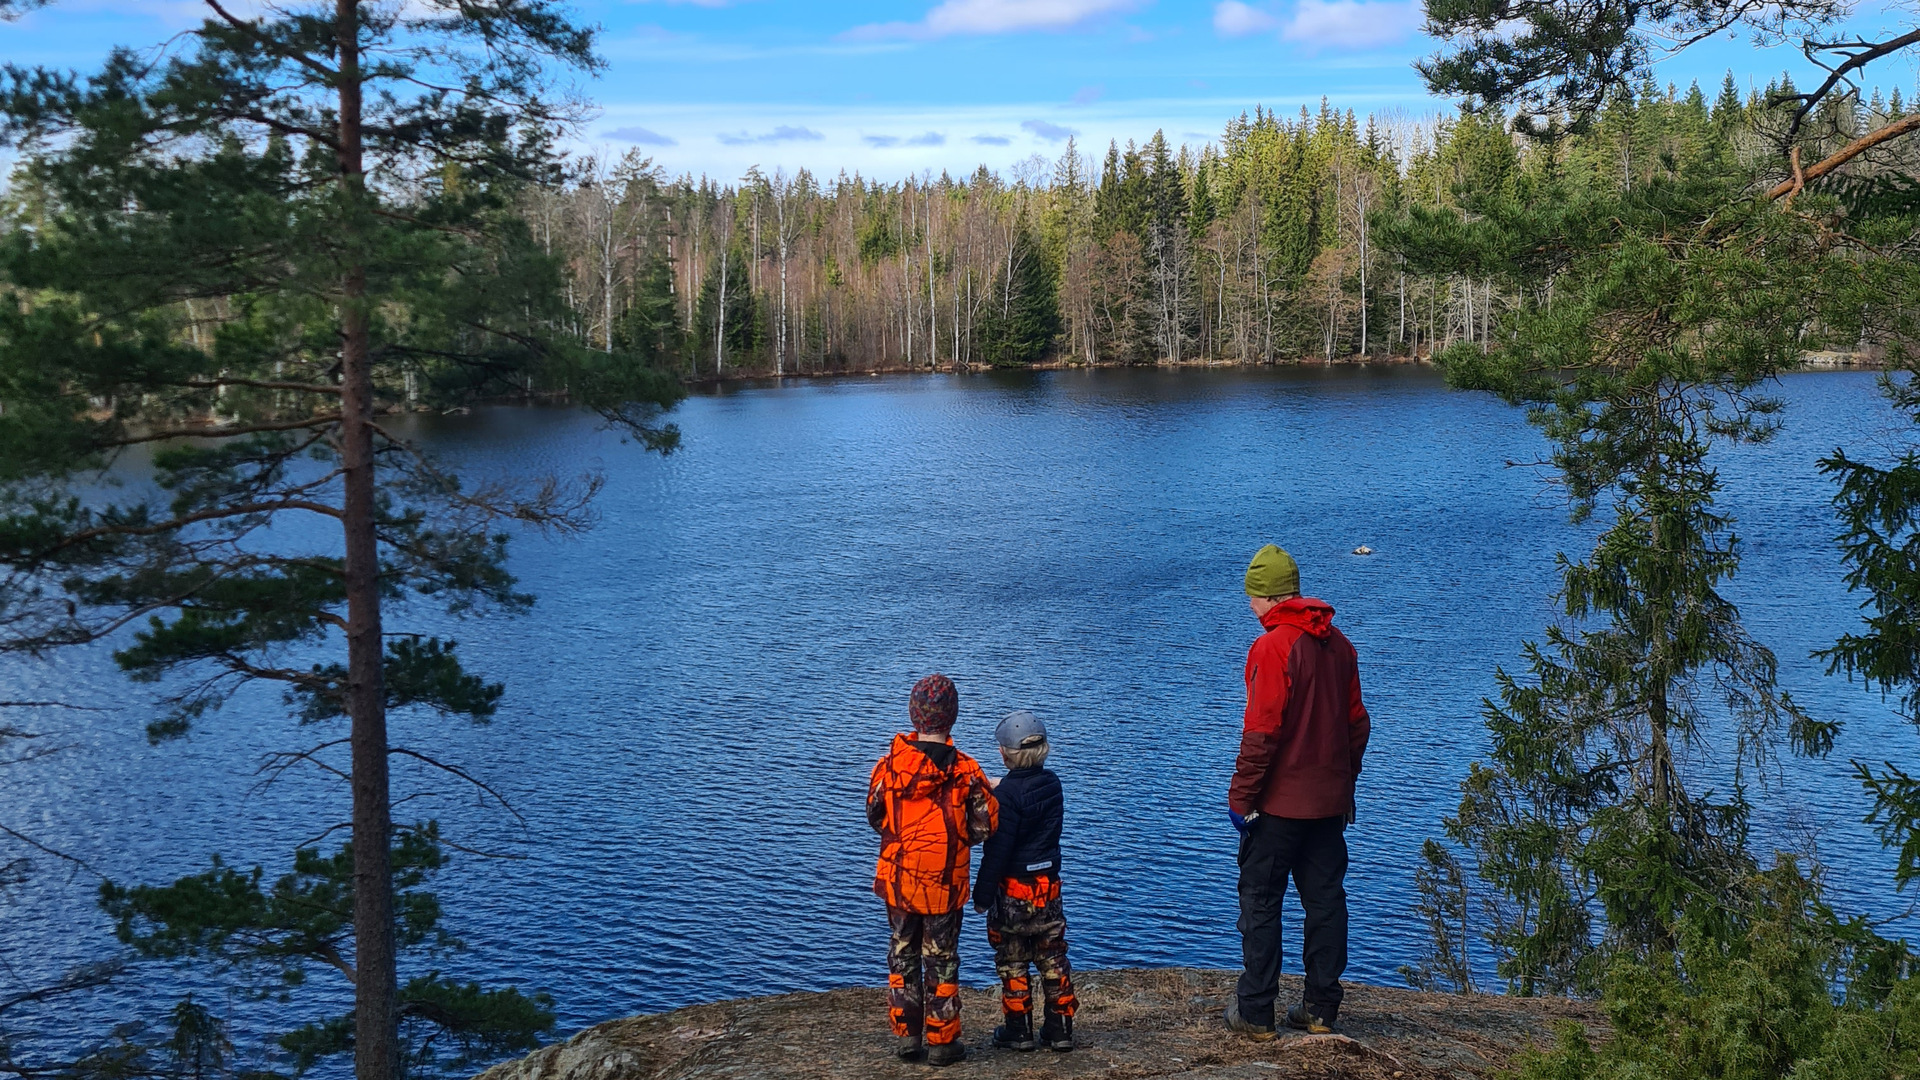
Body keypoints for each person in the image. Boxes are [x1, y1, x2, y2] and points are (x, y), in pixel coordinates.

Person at [1224, 544, 1371, 1040]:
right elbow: (1357, 724)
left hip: (1278, 807)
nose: (1249, 605)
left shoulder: (1271, 648)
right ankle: (1321, 1010)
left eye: (1252, 595)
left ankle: (1257, 1013)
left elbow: (1261, 733)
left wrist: (1241, 798)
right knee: (1326, 902)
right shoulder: (1340, 645)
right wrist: (1343, 783)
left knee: (1261, 903)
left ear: (1266, 597)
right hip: (1328, 806)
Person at [868, 673, 999, 1067]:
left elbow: (875, 815)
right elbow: (985, 825)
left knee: (901, 954)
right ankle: (943, 1043)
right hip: (944, 882)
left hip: (899, 881)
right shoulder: (966, 771)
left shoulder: (889, 766)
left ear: (914, 715)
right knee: (941, 959)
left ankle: (907, 1037)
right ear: (952, 717)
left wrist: (904, 836)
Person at [972, 710, 1077, 1054]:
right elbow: (1030, 794)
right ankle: (1060, 1028)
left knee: (1013, 961)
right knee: (1053, 957)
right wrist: (1006, 789)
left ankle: (1019, 1030)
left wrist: (982, 895)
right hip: (1049, 889)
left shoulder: (1006, 797)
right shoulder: (1053, 784)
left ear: (1004, 754)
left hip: (1014, 893)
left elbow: (997, 854)